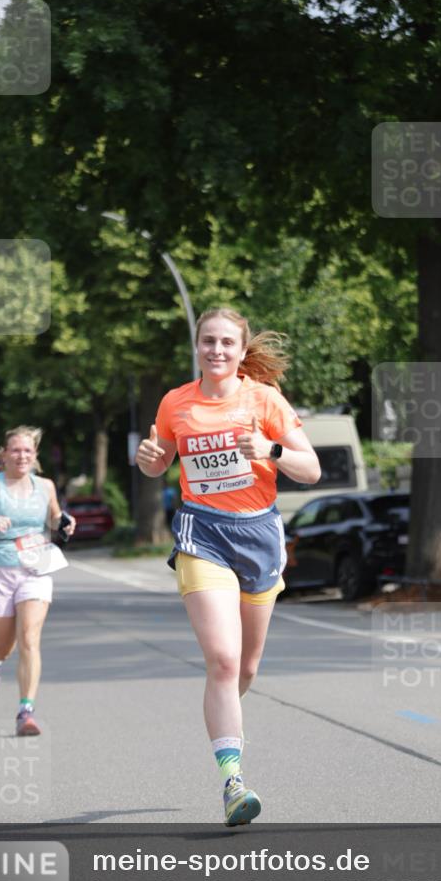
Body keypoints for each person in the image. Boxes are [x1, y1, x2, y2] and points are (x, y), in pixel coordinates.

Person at [136, 308, 320, 825]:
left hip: (260, 535)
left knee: (245, 669)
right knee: (221, 658)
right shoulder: (176, 402)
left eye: (226, 344)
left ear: (241, 353)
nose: (216, 350)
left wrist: (271, 448)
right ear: (197, 346)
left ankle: (223, 713)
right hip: (203, 534)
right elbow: (159, 460)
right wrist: (150, 460)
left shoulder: (263, 400)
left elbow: (311, 469)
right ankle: (233, 781)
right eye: (207, 342)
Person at [0, 426, 75, 736]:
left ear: (35, 457)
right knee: (4, 646)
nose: (22, 456)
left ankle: (25, 711)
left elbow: (54, 517)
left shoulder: (45, 486)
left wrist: (65, 524)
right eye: (16, 450)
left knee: (30, 638)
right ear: (4, 454)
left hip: (36, 569)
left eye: (28, 451)